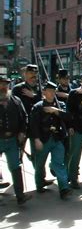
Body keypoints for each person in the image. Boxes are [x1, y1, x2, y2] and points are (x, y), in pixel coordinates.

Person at [30, 81, 73, 199]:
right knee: (39, 164)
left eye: (53, 91)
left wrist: (55, 111)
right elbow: (33, 125)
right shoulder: (38, 107)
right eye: (49, 91)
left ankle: (64, 188)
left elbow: (68, 117)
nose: (51, 93)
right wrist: (37, 139)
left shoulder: (60, 105)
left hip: (57, 138)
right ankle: (39, 184)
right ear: (44, 92)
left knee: (58, 163)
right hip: (43, 139)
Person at [0, 75, 32, 205]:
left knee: (15, 166)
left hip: (12, 140)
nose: (3, 87)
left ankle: (20, 195)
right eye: (1, 84)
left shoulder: (15, 100)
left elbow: (24, 117)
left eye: (5, 84)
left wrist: (22, 132)